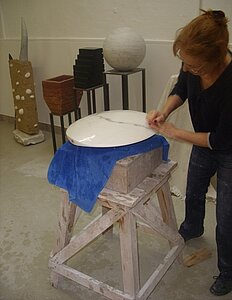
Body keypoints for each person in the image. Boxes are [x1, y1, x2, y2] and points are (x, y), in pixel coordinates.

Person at [147, 9, 232, 296]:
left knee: (226, 216)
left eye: (193, 66)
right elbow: (181, 87)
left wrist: (175, 132)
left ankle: (228, 271)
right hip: (203, 143)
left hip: (227, 147)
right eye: (184, 62)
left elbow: (221, 139)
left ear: (215, 60)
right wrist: (165, 111)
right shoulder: (191, 67)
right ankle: (193, 227)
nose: (187, 69)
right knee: (193, 191)